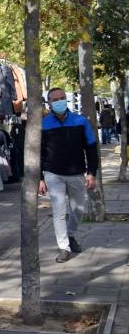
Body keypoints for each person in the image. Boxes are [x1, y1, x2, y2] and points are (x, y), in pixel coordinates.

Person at [39, 88, 98, 263]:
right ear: (49, 102)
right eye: (55, 99)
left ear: (67, 100)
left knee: (79, 209)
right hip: (53, 173)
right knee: (59, 211)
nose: (59, 101)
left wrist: (91, 173)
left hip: (77, 172)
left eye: (62, 98)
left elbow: (91, 148)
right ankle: (64, 248)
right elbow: (40, 153)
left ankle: (70, 234)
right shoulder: (43, 124)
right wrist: (40, 179)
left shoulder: (80, 121)